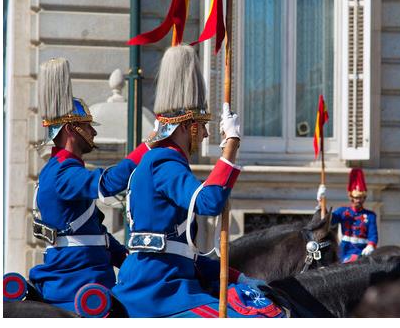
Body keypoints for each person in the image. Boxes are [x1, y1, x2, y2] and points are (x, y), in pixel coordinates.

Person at [113, 44, 284, 318]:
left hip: (166, 282)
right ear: (185, 127)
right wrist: (231, 144)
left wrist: (238, 277)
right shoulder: (164, 163)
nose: (205, 134)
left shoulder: (160, 161)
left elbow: (183, 253)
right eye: (201, 125)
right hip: (159, 290)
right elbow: (209, 201)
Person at [28, 58, 150, 312]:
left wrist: (127, 258)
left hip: (88, 277)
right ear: (72, 129)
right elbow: (109, 183)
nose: (93, 133)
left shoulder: (61, 169)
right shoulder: (62, 172)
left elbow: (94, 232)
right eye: (88, 126)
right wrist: (149, 146)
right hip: (79, 283)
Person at [317, 168, 378, 263]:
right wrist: (321, 201)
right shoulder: (343, 211)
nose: (357, 200)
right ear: (351, 197)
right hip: (344, 249)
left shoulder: (370, 215)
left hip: (362, 250)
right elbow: (327, 220)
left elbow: (373, 235)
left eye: (360, 198)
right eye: (355, 198)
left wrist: (370, 245)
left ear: (364, 198)